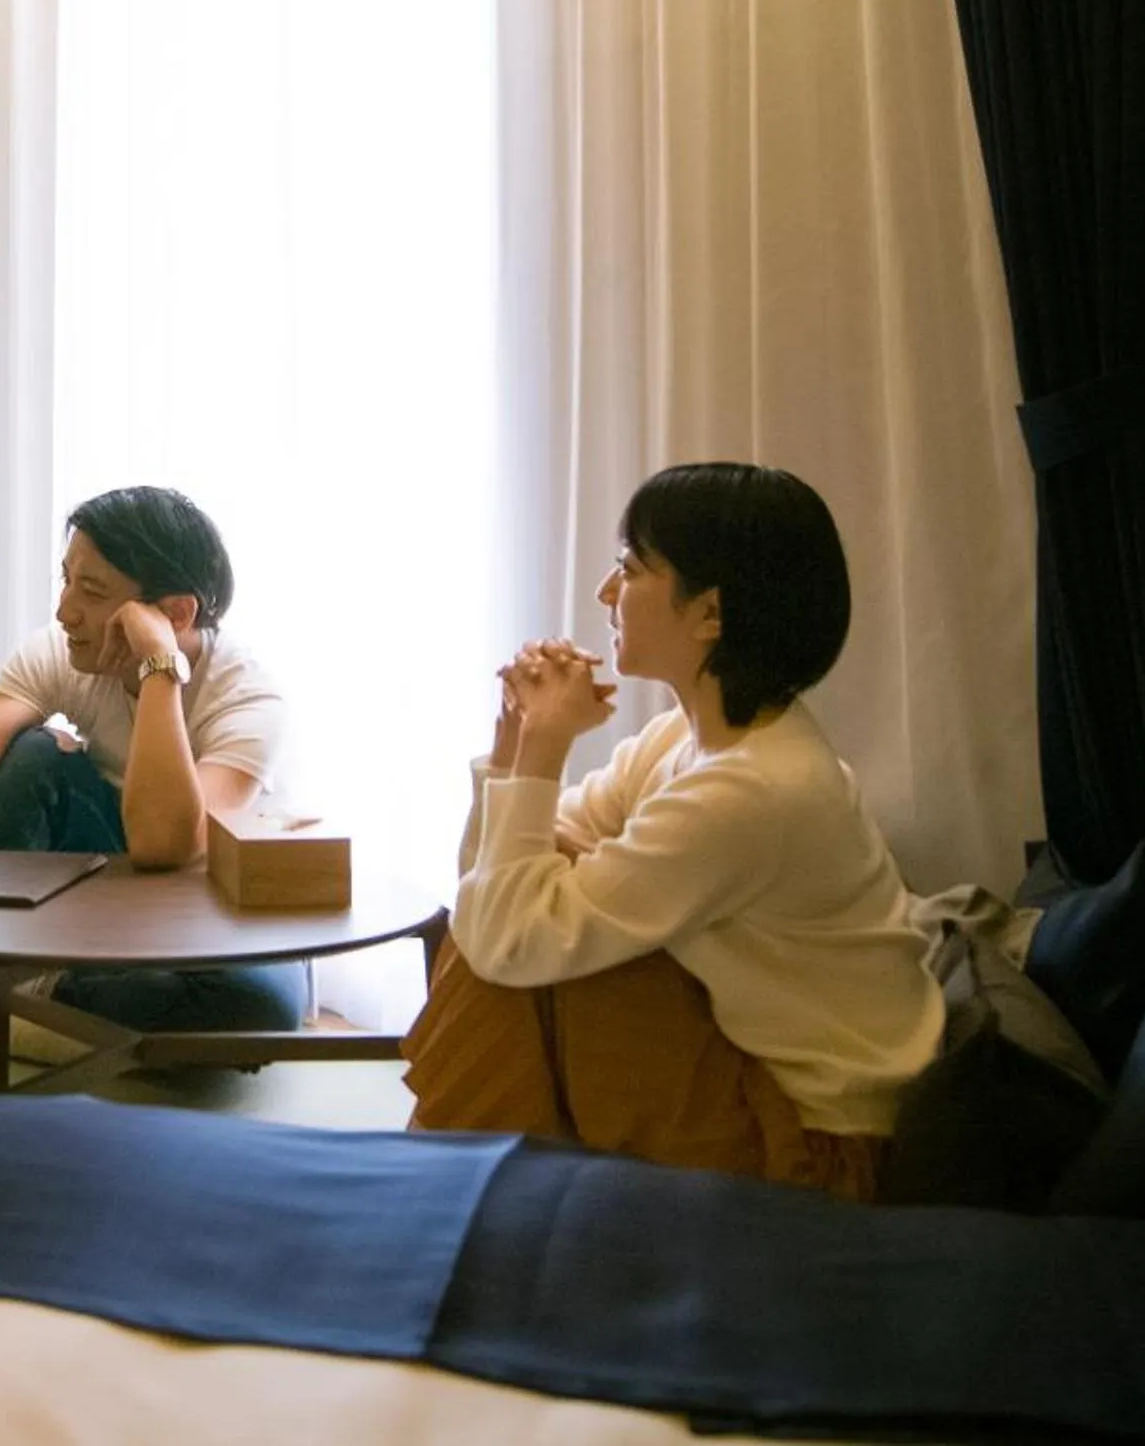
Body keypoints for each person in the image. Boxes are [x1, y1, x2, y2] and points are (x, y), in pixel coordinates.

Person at [402, 462, 941, 1201]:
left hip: (814, 1147)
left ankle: (448, 1191)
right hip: (749, 1075)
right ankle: (462, 1189)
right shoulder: (681, 742)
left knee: (525, 952)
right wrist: (513, 747)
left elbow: (501, 928)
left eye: (629, 568)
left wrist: (543, 753)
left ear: (709, 614)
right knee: (526, 926)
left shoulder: (750, 790)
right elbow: (499, 884)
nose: (605, 593)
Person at [0, 485, 298, 1095]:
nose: (64, 611)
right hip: (93, 882)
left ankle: (12, 997)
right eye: (66, 580)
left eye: (93, 591)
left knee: (259, 1014)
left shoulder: (248, 698)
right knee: (30, 753)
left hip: (199, 898)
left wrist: (159, 667)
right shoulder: (56, 653)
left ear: (176, 614)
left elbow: (169, 847)